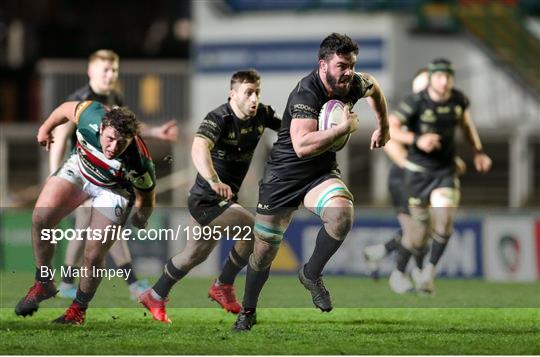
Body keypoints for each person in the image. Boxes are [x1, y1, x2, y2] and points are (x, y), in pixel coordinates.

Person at [232, 33, 390, 332]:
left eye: (352, 65)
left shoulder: (354, 82)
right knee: (264, 252)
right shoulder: (307, 92)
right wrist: (344, 127)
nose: (348, 72)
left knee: (342, 215)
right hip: (284, 177)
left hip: (319, 173)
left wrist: (384, 126)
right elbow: (302, 145)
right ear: (323, 65)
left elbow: (376, 88)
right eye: (342, 65)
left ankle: (311, 273)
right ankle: (248, 310)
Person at [139, 69, 281, 323]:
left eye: (257, 92)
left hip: (224, 201)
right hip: (206, 199)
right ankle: (223, 285)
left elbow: (291, 131)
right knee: (253, 229)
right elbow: (198, 146)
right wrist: (214, 180)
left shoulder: (262, 114)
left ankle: (155, 295)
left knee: (193, 255)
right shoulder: (219, 118)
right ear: (232, 94)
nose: (254, 99)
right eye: (248, 93)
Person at [48, 49, 177, 300]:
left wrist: (157, 131)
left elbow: (127, 130)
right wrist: (55, 175)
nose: (110, 75)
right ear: (90, 71)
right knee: (102, 223)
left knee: (87, 226)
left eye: (114, 70)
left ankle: (67, 282)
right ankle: (131, 283)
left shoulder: (114, 95)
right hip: (84, 174)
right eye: (105, 70)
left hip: (106, 176)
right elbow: (60, 136)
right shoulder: (82, 98)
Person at [15, 100, 156, 324]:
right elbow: (64, 110)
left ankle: (78, 310)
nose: (113, 148)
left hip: (114, 190)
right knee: (41, 219)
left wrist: (142, 216)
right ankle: (44, 283)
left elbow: (147, 193)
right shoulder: (90, 114)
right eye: (110, 139)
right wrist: (45, 127)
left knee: (92, 255)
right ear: (101, 128)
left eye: (122, 143)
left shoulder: (139, 160)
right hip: (81, 169)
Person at [386, 58, 491, 295]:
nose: (443, 82)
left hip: (444, 173)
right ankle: (399, 271)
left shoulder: (458, 100)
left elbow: (466, 126)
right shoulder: (414, 103)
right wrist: (417, 141)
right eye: (439, 77)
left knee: (444, 220)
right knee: (418, 235)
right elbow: (390, 131)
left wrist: (478, 152)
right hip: (415, 176)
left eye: (447, 77)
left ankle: (427, 273)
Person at [362, 69, 466, 287]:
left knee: (423, 229)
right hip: (405, 179)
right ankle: (400, 274)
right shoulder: (411, 114)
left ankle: (383, 254)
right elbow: (391, 142)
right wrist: (420, 168)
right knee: (416, 230)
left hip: (421, 178)